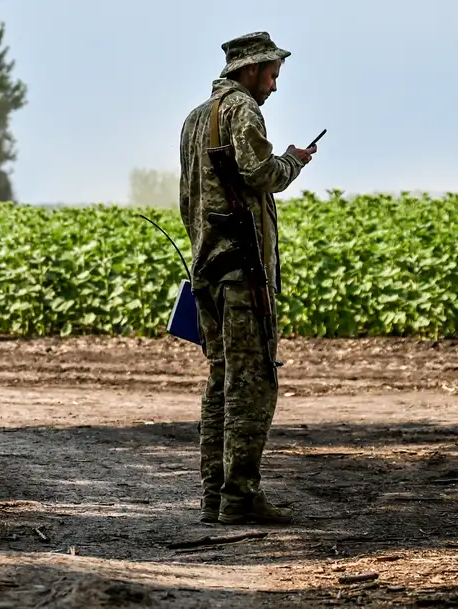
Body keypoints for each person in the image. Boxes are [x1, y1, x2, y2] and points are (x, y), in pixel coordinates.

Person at [177, 31, 315, 525]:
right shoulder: (243, 112)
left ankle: (214, 494)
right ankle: (239, 496)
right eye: (272, 74)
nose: (275, 85)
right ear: (250, 70)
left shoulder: (195, 120)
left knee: (219, 380)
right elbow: (261, 173)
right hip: (242, 272)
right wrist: (294, 162)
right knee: (251, 382)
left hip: (208, 270)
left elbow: (190, 199)